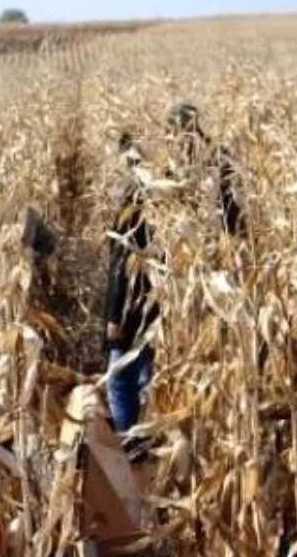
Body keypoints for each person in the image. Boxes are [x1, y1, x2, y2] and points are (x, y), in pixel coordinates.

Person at [103, 131, 159, 434]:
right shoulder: (165, 198)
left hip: (133, 310)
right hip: (158, 308)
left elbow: (122, 264)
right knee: (146, 378)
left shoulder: (132, 200)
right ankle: (145, 440)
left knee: (119, 379)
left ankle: (128, 443)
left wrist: (114, 316)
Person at [163, 103, 244, 237]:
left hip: (225, 229)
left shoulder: (217, 154)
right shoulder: (173, 163)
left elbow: (233, 192)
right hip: (199, 233)